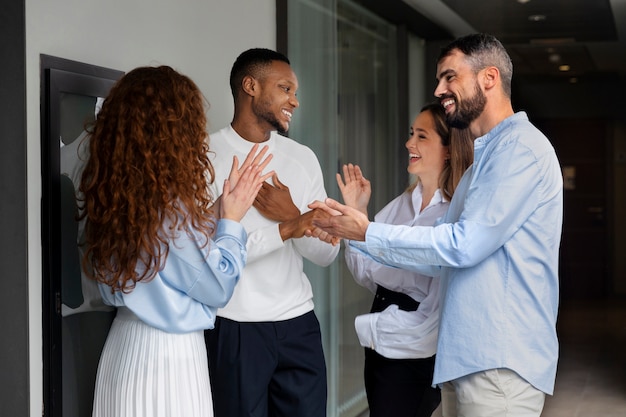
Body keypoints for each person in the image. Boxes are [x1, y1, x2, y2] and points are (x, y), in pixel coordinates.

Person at [309, 33, 563, 417]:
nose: (439, 89)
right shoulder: (486, 161)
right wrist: (356, 233)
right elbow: (441, 260)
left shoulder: (521, 150)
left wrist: (365, 231)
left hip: (498, 366)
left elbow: (462, 245)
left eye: (449, 77)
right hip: (469, 363)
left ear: (489, 78)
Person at [79, 65, 274, 417]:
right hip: (167, 359)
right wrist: (230, 222)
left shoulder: (112, 197)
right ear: (174, 132)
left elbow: (169, 255)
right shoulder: (169, 207)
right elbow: (216, 285)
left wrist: (217, 211)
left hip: (122, 349)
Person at [204, 48, 340, 417]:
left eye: (294, 91)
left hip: (299, 327)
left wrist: (295, 216)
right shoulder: (206, 156)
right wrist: (288, 228)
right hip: (234, 327)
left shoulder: (302, 158)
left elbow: (327, 255)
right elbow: (205, 253)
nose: (294, 101)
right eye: (285, 88)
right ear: (250, 86)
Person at [338, 103, 473, 417]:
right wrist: (358, 215)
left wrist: (388, 330)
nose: (409, 143)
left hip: (414, 341)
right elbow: (367, 273)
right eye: (412, 134)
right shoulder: (402, 204)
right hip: (382, 331)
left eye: (421, 136)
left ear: (449, 149)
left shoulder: (455, 214)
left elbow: (440, 303)